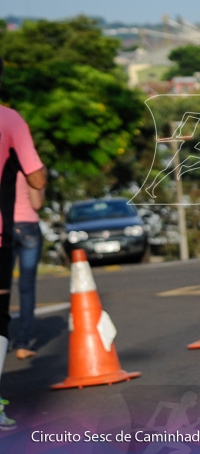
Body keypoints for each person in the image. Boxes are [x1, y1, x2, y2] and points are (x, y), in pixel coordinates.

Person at [0, 56, 47, 430]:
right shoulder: (10, 121)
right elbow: (37, 188)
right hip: (18, 227)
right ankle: (25, 340)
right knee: (22, 291)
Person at [12, 171, 44, 359]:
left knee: (2, 288)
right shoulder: (31, 168)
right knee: (27, 288)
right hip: (29, 228)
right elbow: (37, 203)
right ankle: (23, 344)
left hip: (3, 229)